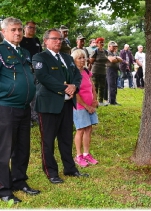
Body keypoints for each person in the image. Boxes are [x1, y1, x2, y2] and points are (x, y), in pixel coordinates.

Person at [33, 28, 88, 184]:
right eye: (55, 39)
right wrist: (65, 88)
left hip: (66, 104)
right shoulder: (39, 57)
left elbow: (77, 75)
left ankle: (70, 169)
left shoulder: (67, 57)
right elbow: (43, 77)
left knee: (66, 139)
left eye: (60, 39)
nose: (58, 41)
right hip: (49, 105)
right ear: (46, 41)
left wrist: (74, 86)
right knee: (48, 140)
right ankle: (51, 172)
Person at [0, 17, 39, 204]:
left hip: (24, 107)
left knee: (22, 148)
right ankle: (4, 190)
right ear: (3, 31)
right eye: (14, 29)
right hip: (6, 107)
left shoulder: (24, 52)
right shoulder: (0, 51)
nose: (18, 33)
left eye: (20, 30)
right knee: (4, 150)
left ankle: (19, 180)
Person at [71, 49, 99, 167]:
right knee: (81, 129)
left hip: (90, 105)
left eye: (84, 57)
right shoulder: (73, 74)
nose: (83, 60)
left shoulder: (86, 71)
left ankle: (86, 153)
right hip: (80, 107)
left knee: (89, 129)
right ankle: (78, 156)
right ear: (74, 60)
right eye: (79, 58)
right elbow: (75, 93)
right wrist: (86, 106)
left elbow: (92, 86)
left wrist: (94, 100)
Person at [20, 20, 43, 127]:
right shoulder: (21, 40)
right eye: (30, 27)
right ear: (25, 28)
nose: (32, 30)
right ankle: (26, 118)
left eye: (34, 28)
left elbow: (41, 54)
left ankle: (34, 115)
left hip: (37, 71)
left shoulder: (36, 40)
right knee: (25, 94)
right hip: (25, 70)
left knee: (35, 94)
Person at [90, 37, 109, 106]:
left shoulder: (105, 52)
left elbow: (107, 60)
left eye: (103, 42)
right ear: (97, 43)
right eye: (100, 42)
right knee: (95, 87)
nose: (102, 43)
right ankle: (94, 101)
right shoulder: (95, 51)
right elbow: (91, 61)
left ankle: (101, 101)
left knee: (102, 87)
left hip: (103, 71)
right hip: (95, 71)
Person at [106, 41, 122, 105]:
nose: (115, 48)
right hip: (110, 70)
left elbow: (121, 59)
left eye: (115, 47)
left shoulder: (114, 53)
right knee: (111, 85)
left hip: (115, 70)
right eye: (113, 46)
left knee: (115, 86)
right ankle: (111, 101)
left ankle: (114, 100)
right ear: (109, 46)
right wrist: (116, 58)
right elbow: (111, 60)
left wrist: (116, 58)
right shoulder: (107, 52)